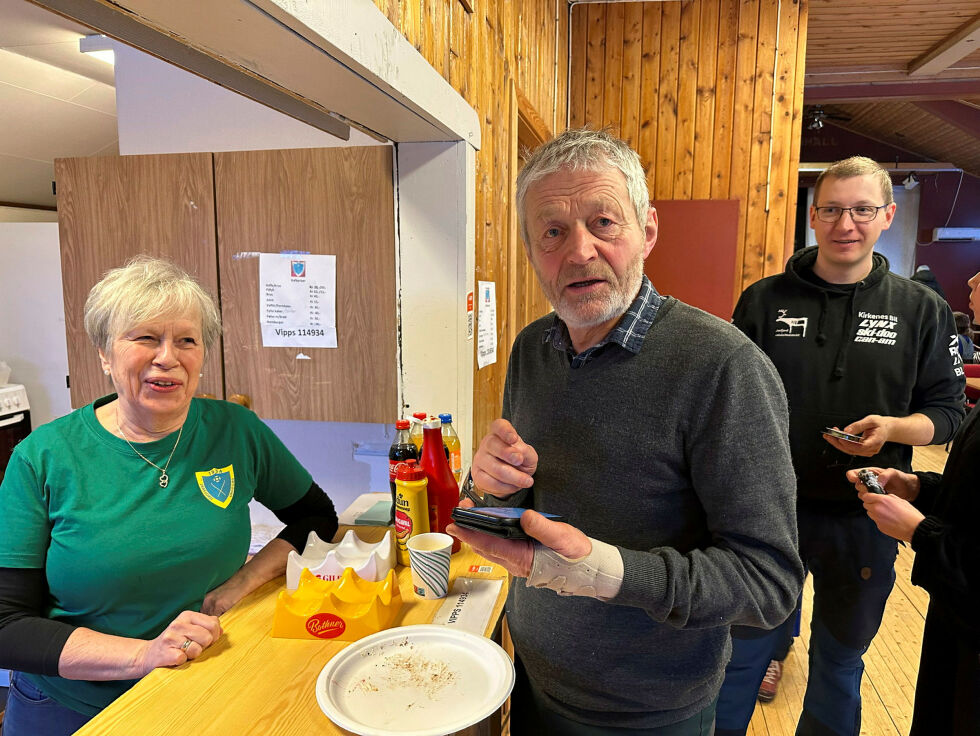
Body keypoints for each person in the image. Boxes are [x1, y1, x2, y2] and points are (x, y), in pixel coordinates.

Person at [447, 128, 804, 735]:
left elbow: (768, 584)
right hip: (527, 674)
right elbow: (521, 510)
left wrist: (607, 573)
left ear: (648, 232)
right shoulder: (532, 348)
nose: (580, 250)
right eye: (553, 232)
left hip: (650, 712)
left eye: (604, 222)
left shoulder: (723, 366)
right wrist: (491, 489)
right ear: (532, 253)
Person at [0, 257, 338, 736]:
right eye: (144, 338)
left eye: (187, 340)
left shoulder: (235, 431)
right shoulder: (43, 458)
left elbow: (315, 517)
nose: (168, 357)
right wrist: (144, 653)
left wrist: (240, 584)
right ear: (103, 352)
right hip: (71, 708)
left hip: (199, 683)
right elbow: (6, 625)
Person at [717, 156, 966, 736]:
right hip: (765, 514)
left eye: (861, 210)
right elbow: (724, 399)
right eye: (830, 209)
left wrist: (892, 429)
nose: (845, 223)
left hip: (867, 517)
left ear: (887, 216)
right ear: (813, 215)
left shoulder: (922, 310)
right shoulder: (763, 301)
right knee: (743, 659)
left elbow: (949, 414)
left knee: (838, 662)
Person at [847, 270, 980, 736]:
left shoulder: (921, 309)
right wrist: (919, 488)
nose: (971, 283)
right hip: (957, 626)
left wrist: (919, 530)